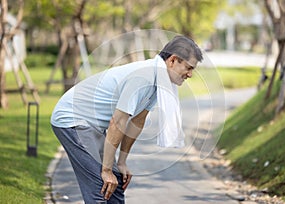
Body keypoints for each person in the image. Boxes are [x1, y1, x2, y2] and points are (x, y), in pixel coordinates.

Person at [51, 35, 203, 203]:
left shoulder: (159, 81)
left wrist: (121, 162)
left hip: (93, 125)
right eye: (188, 68)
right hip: (73, 118)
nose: (190, 74)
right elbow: (117, 123)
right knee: (100, 186)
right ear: (173, 60)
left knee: (116, 181)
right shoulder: (143, 77)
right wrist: (106, 170)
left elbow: (137, 121)